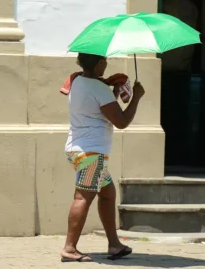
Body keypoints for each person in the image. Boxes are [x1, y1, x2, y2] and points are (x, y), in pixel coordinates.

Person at [61, 53, 145, 262]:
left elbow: (98, 110)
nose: (107, 64)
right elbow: (122, 121)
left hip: (78, 149)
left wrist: (113, 93)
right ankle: (69, 248)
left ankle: (114, 244)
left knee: (107, 193)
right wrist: (136, 97)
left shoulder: (77, 81)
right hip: (92, 153)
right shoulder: (98, 87)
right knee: (83, 197)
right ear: (99, 63)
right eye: (105, 61)